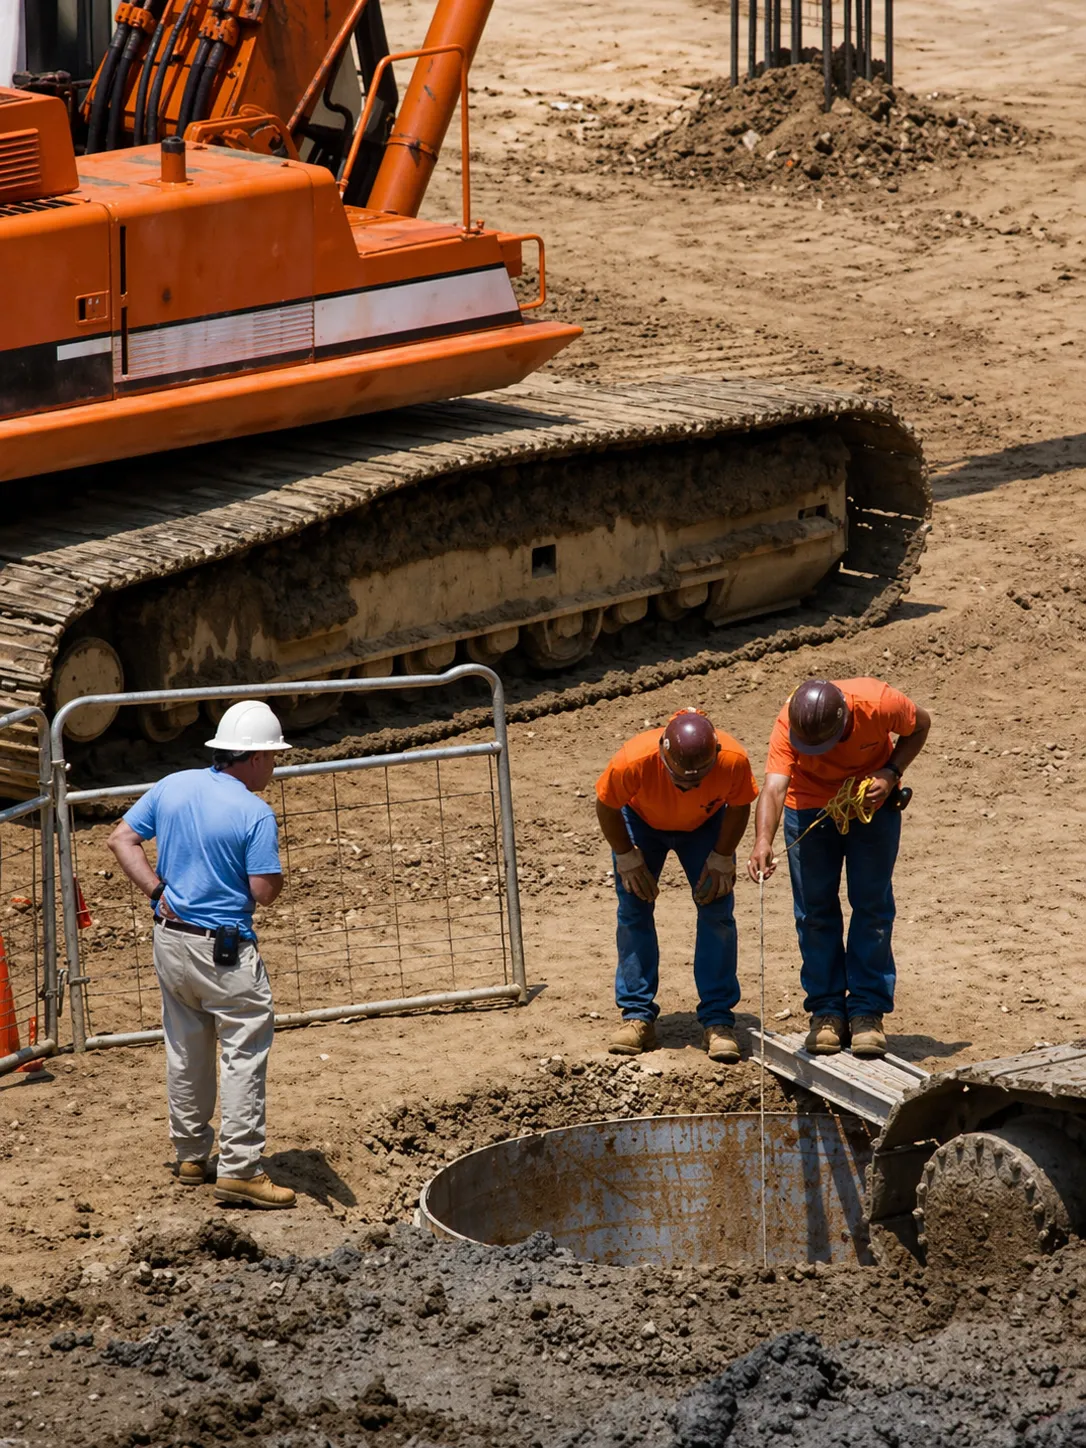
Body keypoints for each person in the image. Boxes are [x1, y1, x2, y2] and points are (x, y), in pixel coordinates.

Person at [107, 700, 296, 1209]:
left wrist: (155, 889)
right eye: (273, 758)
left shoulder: (174, 785)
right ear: (254, 758)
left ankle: (192, 1155)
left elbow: (122, 838)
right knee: (243, 1050)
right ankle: (240, 1169)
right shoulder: (254, 812)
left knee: (185, 1045)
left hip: (170, 938)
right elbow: (263, 892)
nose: (274, 768)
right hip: (225, 952)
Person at [747, 678, 931, 1059]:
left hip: (871, 807)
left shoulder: (879, 703)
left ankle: (866, 1012)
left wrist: (891, 772)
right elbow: (775, 787)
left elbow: (921, 725)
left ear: (844, 720)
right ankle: (827, 1012)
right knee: (814, 912)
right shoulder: (789, 720)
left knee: (872, 906)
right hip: (808, 807)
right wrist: (763, 840)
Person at [595, 708, 759, 1062]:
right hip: (641, 822)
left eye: (696, 781)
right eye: (679, 780)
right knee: (634, 909)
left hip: (705, 826)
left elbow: (740, 804)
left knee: (717, 911)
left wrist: (722, 854)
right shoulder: (633, 760)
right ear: (662, 756)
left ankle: (717, 1020)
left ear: (714, 758)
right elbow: (606, 805)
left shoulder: (733, 759)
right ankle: (637, 1016)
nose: (687, 787)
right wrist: (626, 854)